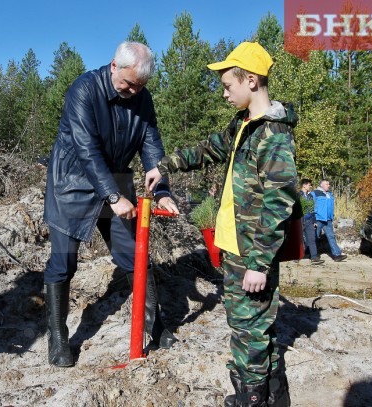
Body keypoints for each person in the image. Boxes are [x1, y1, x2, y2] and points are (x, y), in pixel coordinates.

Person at [147, 42, 296, 406]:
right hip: (234, 246)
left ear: (251, 80)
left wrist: (260, 262)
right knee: (250, 325)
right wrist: (164, 165)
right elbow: (207, 148)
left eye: (229, 86)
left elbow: (280, 201)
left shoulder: (273, 134)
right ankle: (273, 393)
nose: (225, 93)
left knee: (249, 328)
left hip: (252, 253)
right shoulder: (243, 125)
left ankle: (253, 398)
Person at [42, 41, 180, 368]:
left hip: (115, 179)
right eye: (129, 83)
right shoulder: (83, 90)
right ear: (114, 65)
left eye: (140, 86)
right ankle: (58, 337)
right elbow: (86, 149)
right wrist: (114, 197)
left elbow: (152, 149)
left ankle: (152, 324)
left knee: (135, 254)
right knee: (64, 263)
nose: (133, 91)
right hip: (72, 183)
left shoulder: (142, 99)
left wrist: (161, 189)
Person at [312, 179, 347, 262]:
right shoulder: (314, 193)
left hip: (328, 219)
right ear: (322, 185)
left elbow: (331, 207)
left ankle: (337, 255)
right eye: (327, 184)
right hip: (318, 218)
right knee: (314, 237)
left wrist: (332, 216)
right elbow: (310, 206)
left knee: (331, 237)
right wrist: (312, 218)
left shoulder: (330, 194)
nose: (329, 185)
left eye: (329, 184)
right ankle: (312, 254)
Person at [299, 179, 324, 265]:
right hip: (300, 221)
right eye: (309, 185)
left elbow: (312, 209)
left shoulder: (310, 197)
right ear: (304, 185)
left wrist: (314, 221)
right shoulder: (298, 196)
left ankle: (314, 257)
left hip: (309, 220)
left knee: (312, 239)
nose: (310, 186)